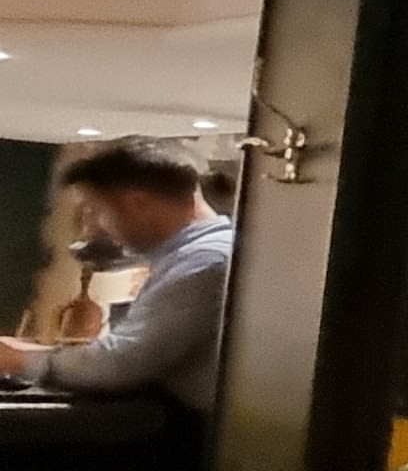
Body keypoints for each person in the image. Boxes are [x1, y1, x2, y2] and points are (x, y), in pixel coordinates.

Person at [0, 142, 236, 411]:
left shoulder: (204, 263)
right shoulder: (201, 256)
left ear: (138, 203)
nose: (96, 225)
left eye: (97, 210)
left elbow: (120, 364)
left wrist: (16, 359)